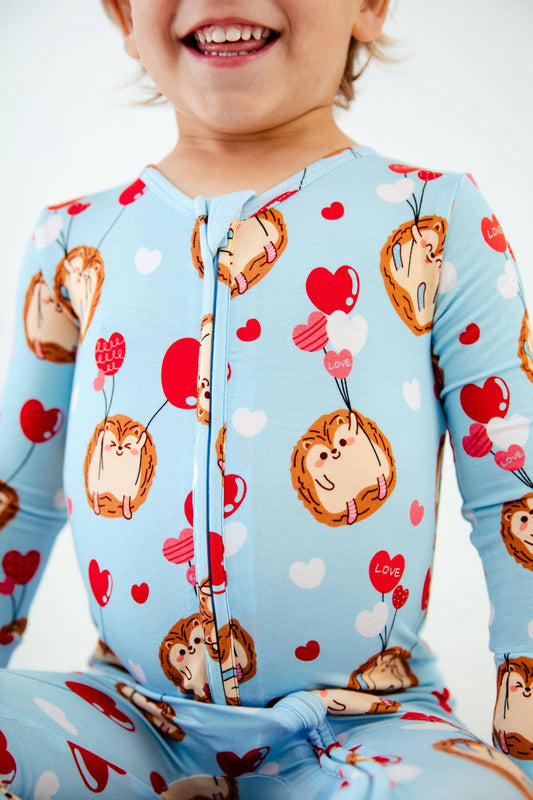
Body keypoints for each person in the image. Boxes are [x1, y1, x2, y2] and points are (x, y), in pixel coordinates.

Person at [1, 1, 532, 798]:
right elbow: (17, 503)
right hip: (127, 721)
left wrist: (521, 761)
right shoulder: (74, 238)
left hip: (371, 726)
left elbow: (514, 501)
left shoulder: (432, 219)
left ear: (368, 5)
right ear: (122, 14)